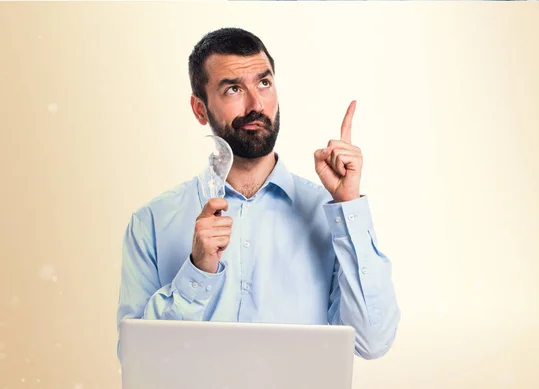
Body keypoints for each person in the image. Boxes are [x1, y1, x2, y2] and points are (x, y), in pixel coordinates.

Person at [116, 27, 400, 361]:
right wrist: (197, 271)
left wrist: (349, 206)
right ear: (199, 109)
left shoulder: (330, 215)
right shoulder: (151, 222)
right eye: (233, 89)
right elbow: (138, 361)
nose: (256, 105)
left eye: (263, 83)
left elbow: (373, 341)